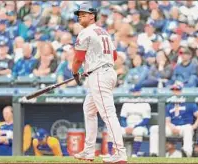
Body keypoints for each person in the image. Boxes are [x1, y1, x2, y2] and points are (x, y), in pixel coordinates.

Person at [72, 3, 127, 163]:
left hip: (99, 75)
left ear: (92, 16)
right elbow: (114, 56)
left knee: (108, 114)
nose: (80, 16)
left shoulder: (85, 33)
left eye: (83, 14)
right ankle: (89, 151)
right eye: (79, 14)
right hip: (106, 72)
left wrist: (75, 72)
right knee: (89, 109)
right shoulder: (104, 32)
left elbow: (77, 59)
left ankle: (120, 153)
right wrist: (92, 64)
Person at [149, 83, 198, 157]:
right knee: (154, 129)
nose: (175, 91)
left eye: (177, 89)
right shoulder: (169, 105)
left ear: (181, 91)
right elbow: (167, 121)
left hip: (184, 128)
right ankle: (154, 153)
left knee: (188, 128)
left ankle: (187, 153)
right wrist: (172, 127)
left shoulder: (189, 103)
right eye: (173, 90)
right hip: (172, 128)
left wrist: (193, 127)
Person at [120, 86, 151, 157]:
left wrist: (134, 127)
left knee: (138, 132)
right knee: (115, 131)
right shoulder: (126, 103)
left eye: (136, 91)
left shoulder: (145, 104)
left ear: (140, 92)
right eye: (133, 91)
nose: (134, 93)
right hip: (127, 126)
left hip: (140, 126)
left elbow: (146, 120)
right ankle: (112, 153)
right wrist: (126, 127)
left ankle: (135, 153)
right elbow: (122, 118)